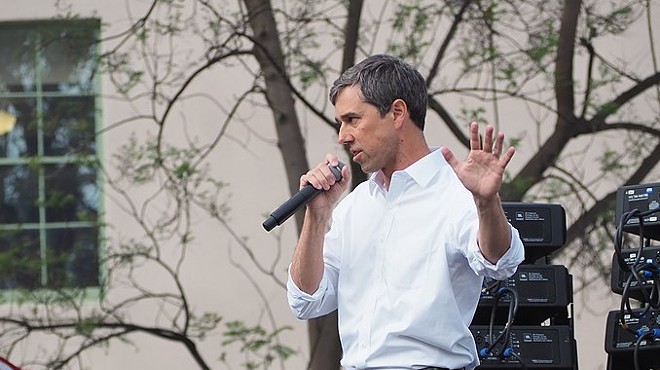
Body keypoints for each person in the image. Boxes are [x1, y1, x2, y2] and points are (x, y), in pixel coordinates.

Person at [286, 54, 524, 370]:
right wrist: (316, 217)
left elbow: (501, 262)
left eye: (352, 119)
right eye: (340, 123)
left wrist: (486, 202)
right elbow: (307, 300)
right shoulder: (356, 205)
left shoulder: (454, 191)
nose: (342, 136)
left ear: (397, 112)